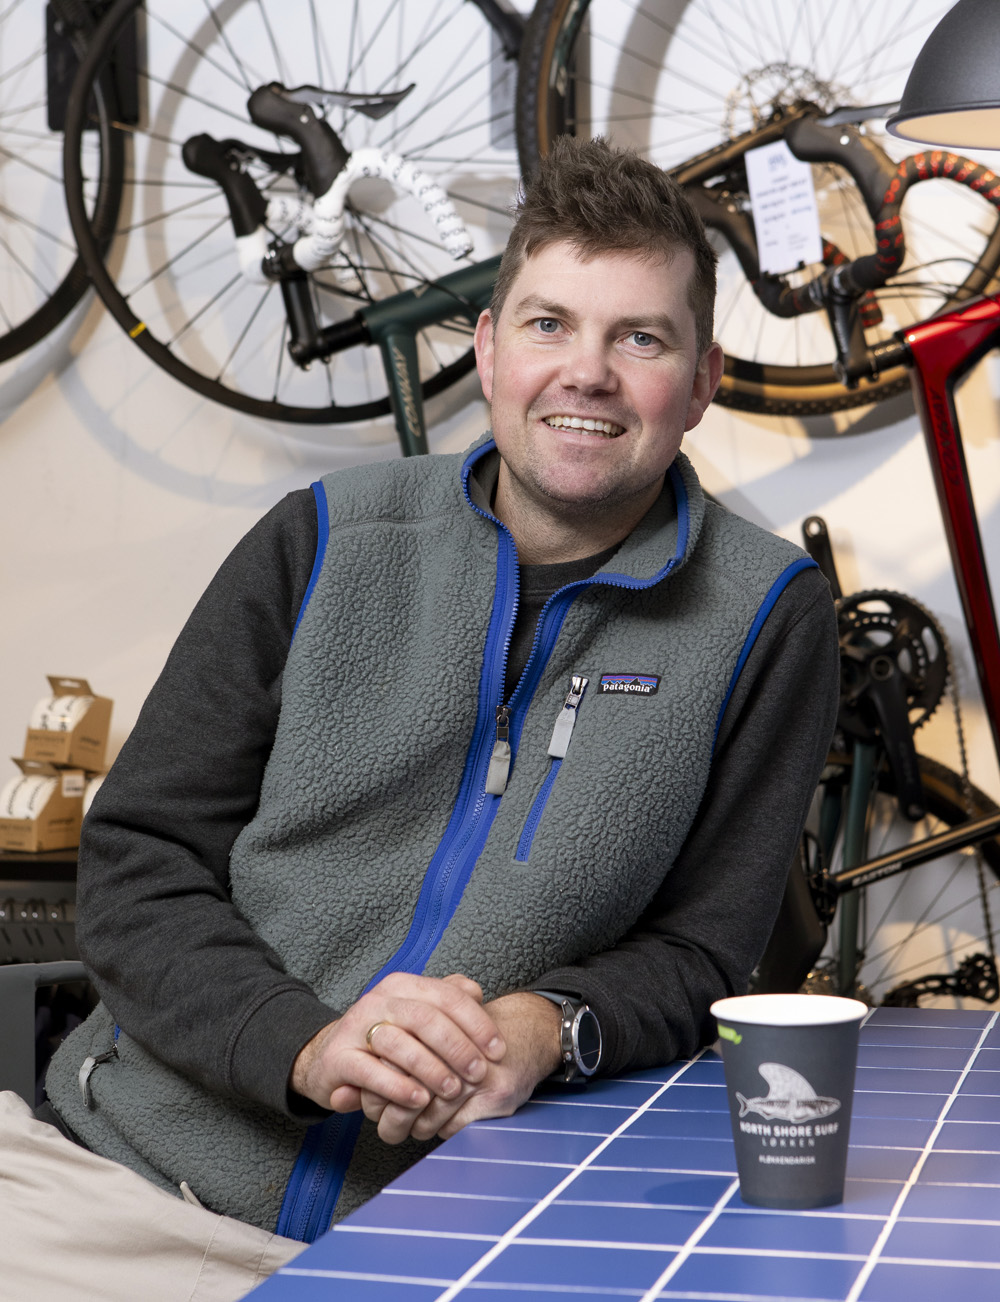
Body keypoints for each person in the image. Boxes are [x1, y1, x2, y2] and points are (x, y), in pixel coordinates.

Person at [2, 136, 839, 1300]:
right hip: (119, 1184)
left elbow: (708, 951)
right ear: (487, 349)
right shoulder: (322, 538)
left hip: (465, 1236)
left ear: (701, 383)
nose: (586, 373)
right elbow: (139, 862)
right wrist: (305, 1043)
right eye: (548, 324)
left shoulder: (768, 615)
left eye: (640, 339)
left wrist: (542, 1027)